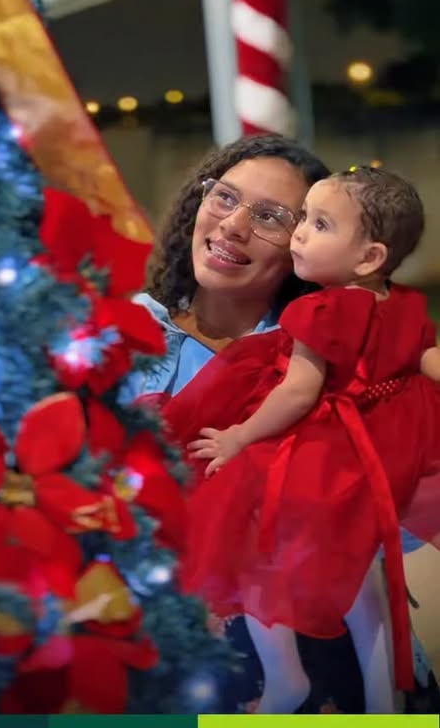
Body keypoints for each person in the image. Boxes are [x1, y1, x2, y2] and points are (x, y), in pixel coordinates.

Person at [123, 136, 438, 713]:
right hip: (175, 663)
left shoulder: (344, 357)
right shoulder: (119, 337)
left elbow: (399, 519)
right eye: (224, 198)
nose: (233, 226)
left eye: (272, 217)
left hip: (333, 668)